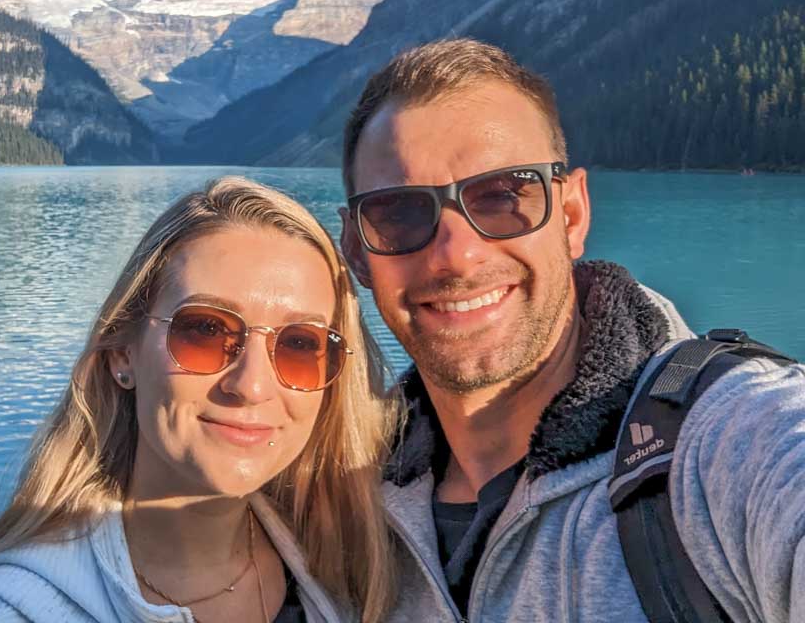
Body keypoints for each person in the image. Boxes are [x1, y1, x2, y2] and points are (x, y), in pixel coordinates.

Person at [338, 39, 805, 622]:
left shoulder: (724, 443)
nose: (455, 257)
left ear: (572, 215)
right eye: (400, 212)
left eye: (504, 197)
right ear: (357, 250)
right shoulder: (343, 503)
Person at [0, 177, 402, 623]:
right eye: (204, 329)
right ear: (123, 353)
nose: (252, 385)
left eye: (301, 344)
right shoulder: (8, 613)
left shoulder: (353, 573)